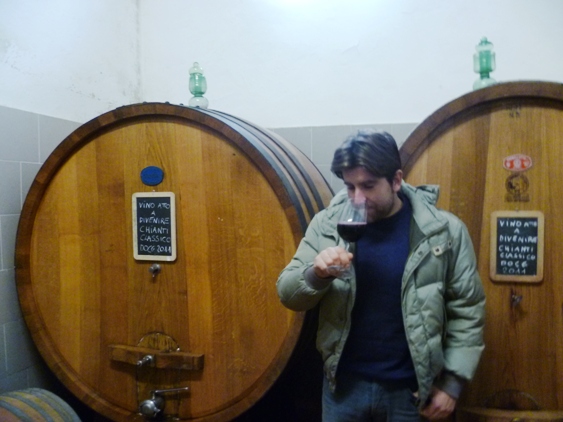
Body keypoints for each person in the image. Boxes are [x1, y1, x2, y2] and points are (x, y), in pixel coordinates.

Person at [276, 130, 485, 421]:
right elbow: (288, 294)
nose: (357, 198)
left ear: (396, 180)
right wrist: (316, 274)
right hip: (343, 390)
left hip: (409, 393)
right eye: (350, 187)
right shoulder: (328, 225)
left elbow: (467, 310)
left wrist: (452, 384)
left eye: (368, 186)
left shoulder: (442, 231)